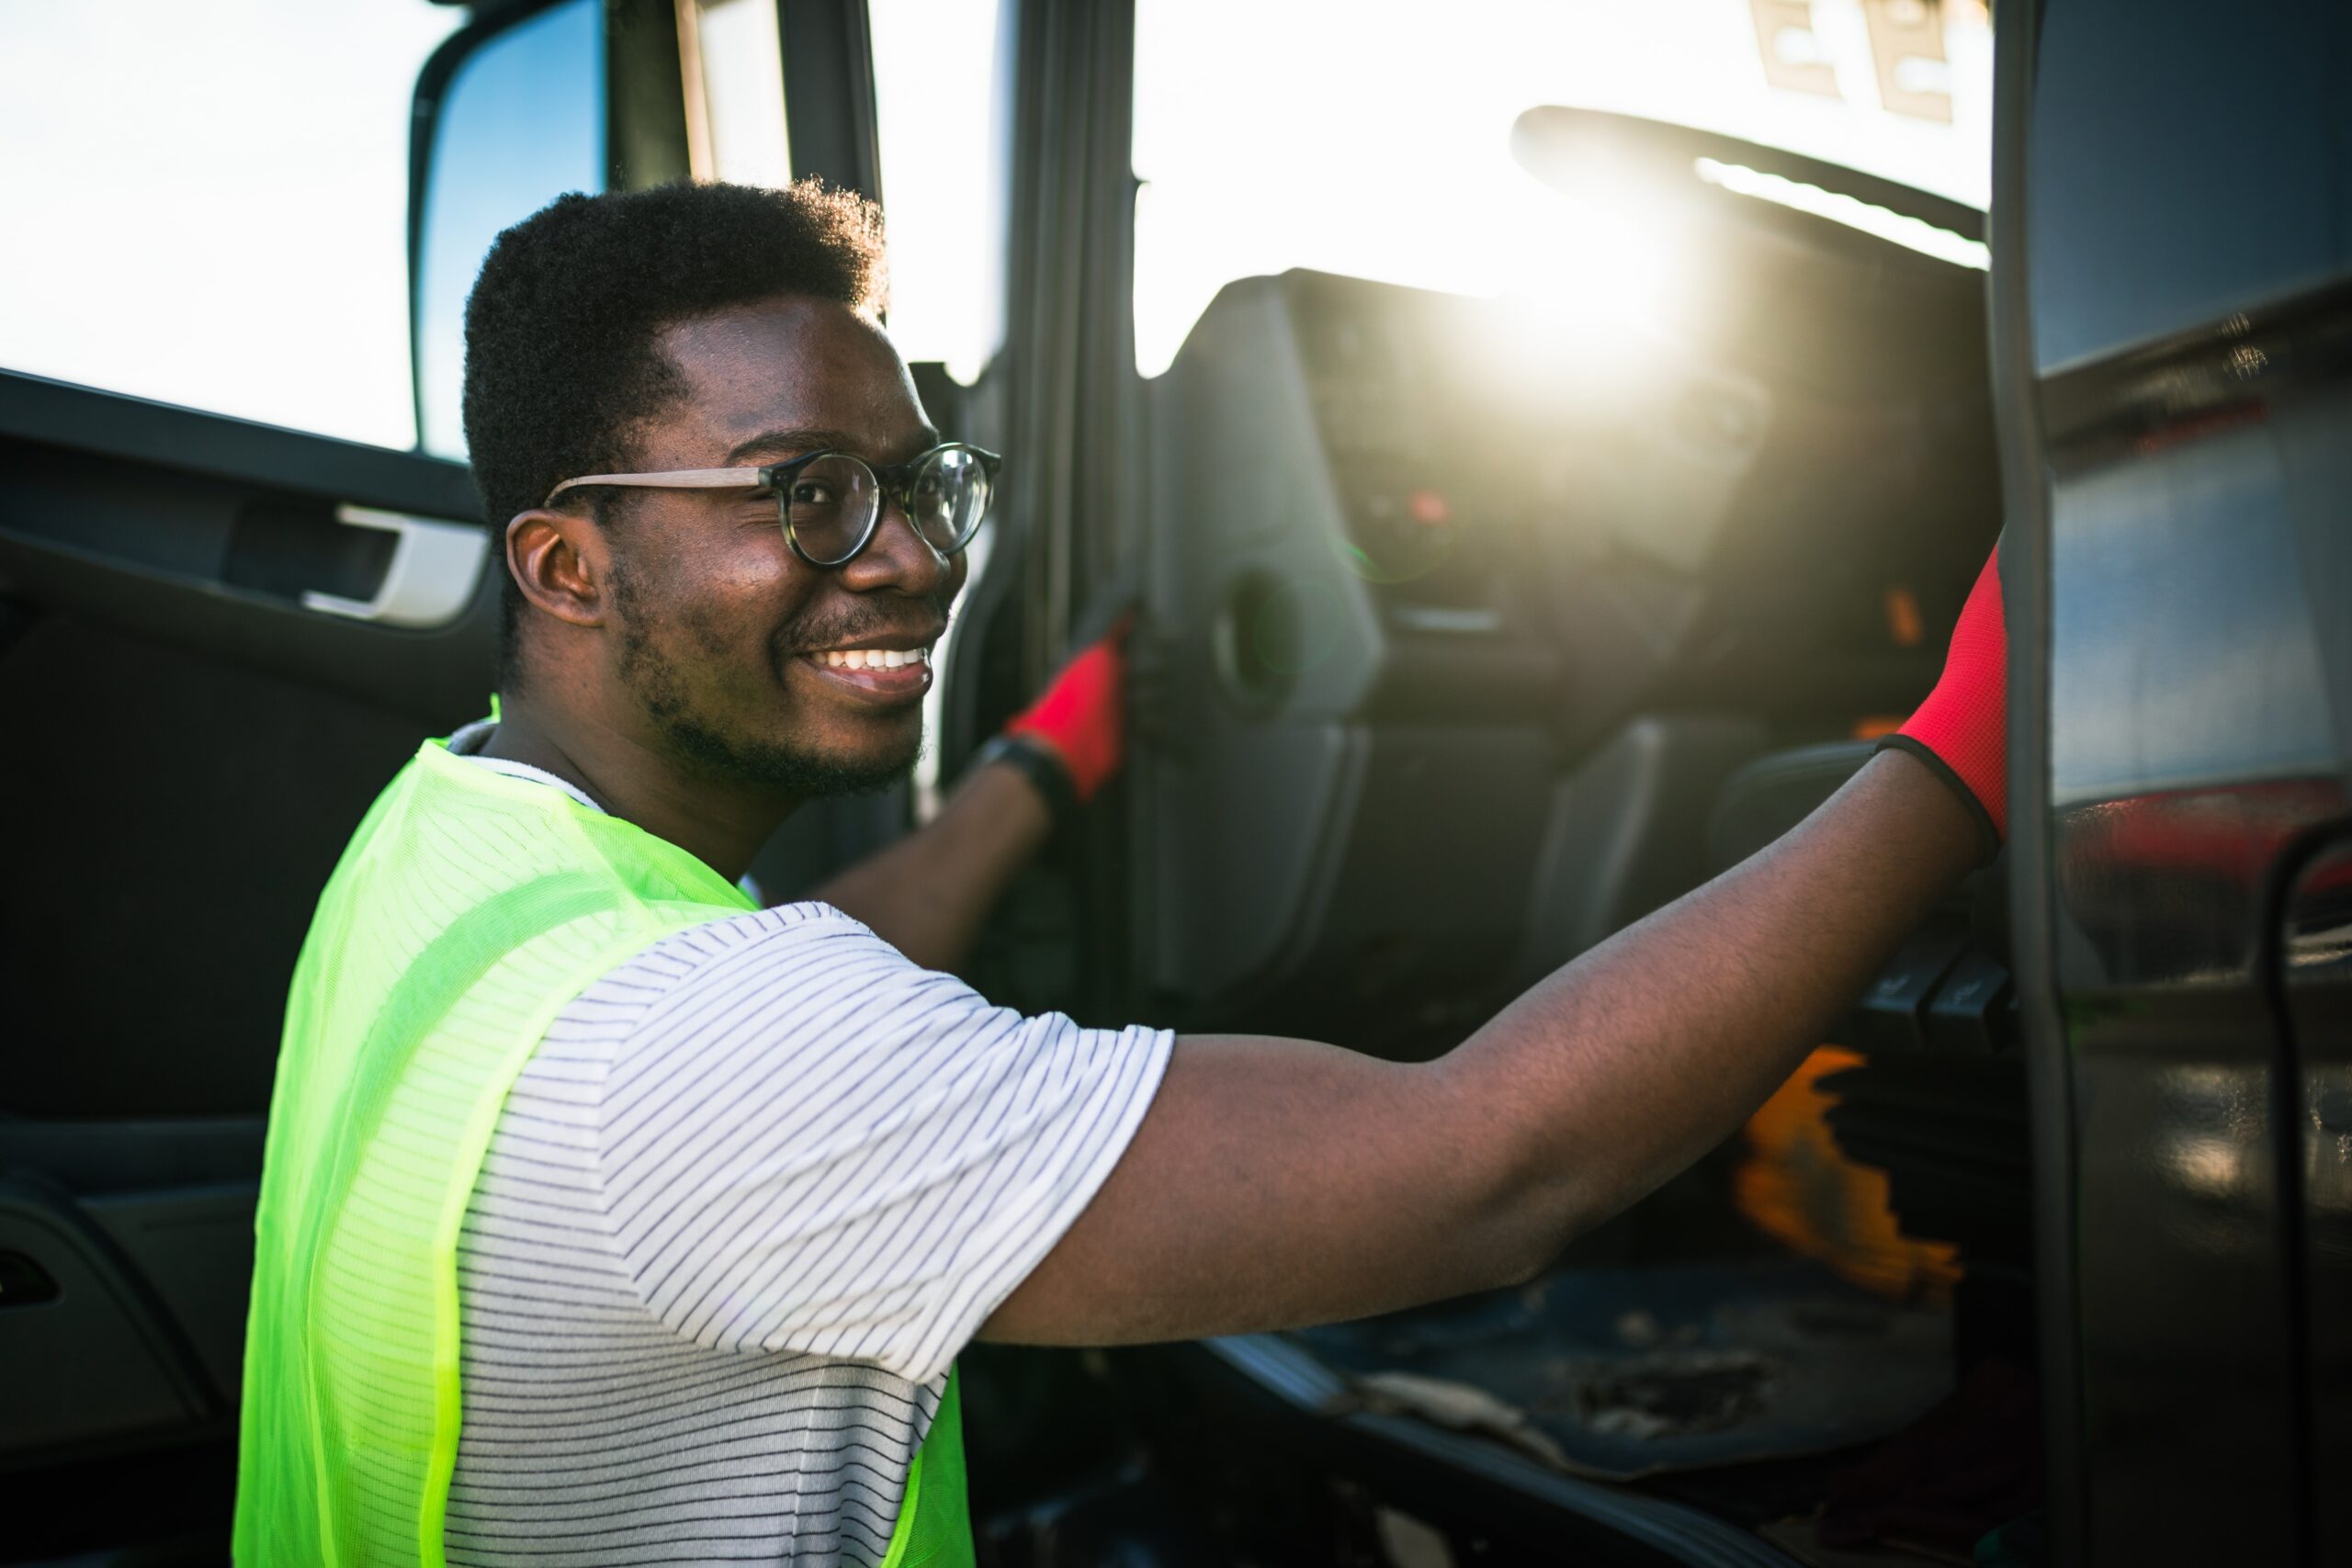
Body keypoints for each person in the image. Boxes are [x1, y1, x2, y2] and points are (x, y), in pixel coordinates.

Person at [232, 179, 2007, 1568]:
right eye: (807, 495)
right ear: (564, 564)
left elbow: (781, 966)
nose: (916, 560)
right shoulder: (704, 1055)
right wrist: (1962, 756)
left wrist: (1041, 769)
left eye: (922, 484)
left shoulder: (454, 844)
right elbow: (1491, 1168)